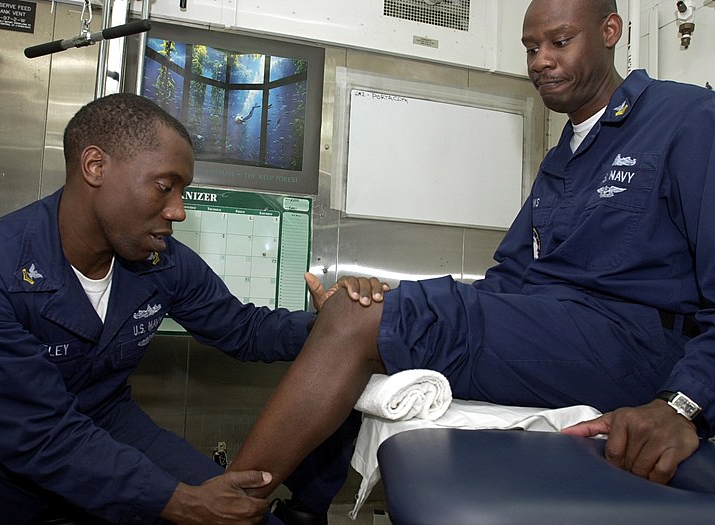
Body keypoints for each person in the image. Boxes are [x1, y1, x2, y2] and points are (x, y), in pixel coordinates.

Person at [226, 0, 715, 502]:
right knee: (362, 312)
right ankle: (303, 509)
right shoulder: (561, 159)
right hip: (558, 330)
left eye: (559, 42)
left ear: (610, 30)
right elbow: (507, 283)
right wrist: (392, 301)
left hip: (636, 348)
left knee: (362, 320)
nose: (540, 61)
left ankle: (229, 505)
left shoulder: (686, 119)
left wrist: (682, 404)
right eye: (530, 48)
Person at [0, 93, 386, 525]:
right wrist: (177, 500)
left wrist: (333, 326)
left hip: (112, 426)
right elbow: (41, 434)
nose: (178, 211)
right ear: (95, 167)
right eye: (165, 186)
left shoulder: (162, 262)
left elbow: (242, 328)